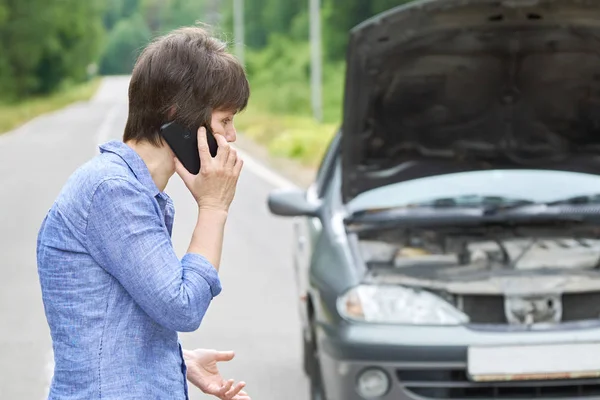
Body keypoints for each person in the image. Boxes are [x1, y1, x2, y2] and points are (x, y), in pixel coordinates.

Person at [36, 26, 251, 400]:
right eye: (225, 120)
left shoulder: (126, 188)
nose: (231, 137)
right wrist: (214, 207)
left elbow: (108, 320)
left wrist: (176, 360)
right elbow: (182, 307)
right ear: (179, 117)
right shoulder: (112, 191)